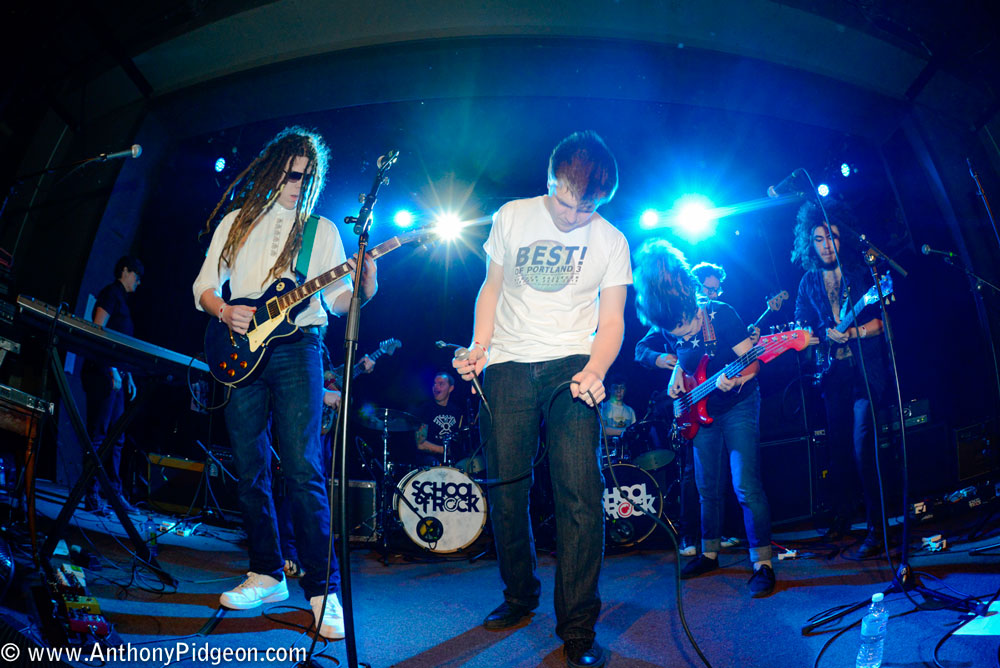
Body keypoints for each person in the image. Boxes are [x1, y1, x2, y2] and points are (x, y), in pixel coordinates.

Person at [452, 130, 629, 668]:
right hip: (507, 362)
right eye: (566, 203)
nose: (574, 218)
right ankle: (519, 595)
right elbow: (492, 287)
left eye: (587, 209)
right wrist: (479, 346)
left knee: (580, 492)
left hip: (572, 364)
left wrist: (596, 370)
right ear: (551, 180)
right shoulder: (511, 216)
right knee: (507, 491)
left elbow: (612, 319)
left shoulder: (613, 241)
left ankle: (578, 627)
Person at [193, 127, 377, 639]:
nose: (298, 184)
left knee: (302, 466)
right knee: (248, 465)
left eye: (307, 177)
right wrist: (223, 309)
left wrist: (365, 285)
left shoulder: (322, 231)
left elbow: (338, 302)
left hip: (299, 348)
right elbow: (204, 284)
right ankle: (266, 573)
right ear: (273, 170)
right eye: (292, 174)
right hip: (239, 347)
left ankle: (322, 590)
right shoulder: (236, 221)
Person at [632, 239, 775, 598]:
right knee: (705, 487)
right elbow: (676, 357)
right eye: (675, 334)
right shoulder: (668, 320)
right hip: (698, 411)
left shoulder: (720, 314)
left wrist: (736, 380)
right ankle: (709, 553)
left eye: (685, 329)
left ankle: (763, 563)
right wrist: (675, 371)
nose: (681, 336)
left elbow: (754, 363)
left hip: (739, 404)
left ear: (692, 306)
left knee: (745, 485)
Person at [791, 200, 887, 558]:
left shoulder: (861, 274)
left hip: (864, 373)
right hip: (832, 374)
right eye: (819, 239)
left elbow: (881, 322)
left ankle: (878, 530)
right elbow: (802, 326)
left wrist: (853, 333)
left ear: (841, 238)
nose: (826, 245)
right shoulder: (807, 283)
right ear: (810, 244)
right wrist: (816, 336)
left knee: (864, 447)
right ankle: (844, 516)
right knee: (839, 450)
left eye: (831, 237)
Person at [634, 265, 741, 557]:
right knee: (693, 472)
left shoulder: (717, 315)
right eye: (707, 289)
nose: (712, 294)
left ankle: (720, 531)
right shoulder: (674, 314)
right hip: (687, 404)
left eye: (716, 290)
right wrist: (662, 359)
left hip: (718, 401)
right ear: (692, 290)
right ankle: (688, 535)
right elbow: (640, 349)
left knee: (725, 469)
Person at [82, 255, 143, 514]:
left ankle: (115, 495)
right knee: (99, 435)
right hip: (103, 375)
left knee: (116, 437)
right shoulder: (110, 293)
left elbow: (120, 343)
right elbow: (97, 330)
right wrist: (111, 369)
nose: (138, 282)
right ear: (126, 271)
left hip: (117, 376)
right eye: (137, 276)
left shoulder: (123, 301)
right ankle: (91, 494)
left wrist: (128, 375)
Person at [415, 372, 466, 467]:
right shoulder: (425, 409)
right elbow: (420, 444)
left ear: (451, 388)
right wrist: (445, 450)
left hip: (453, 462)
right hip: (429, 461)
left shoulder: (457, 412)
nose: (436, 387)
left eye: (441, 384)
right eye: (434, 384)